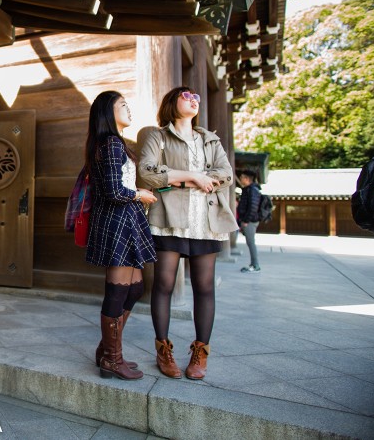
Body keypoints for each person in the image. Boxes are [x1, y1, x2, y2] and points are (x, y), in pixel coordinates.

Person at [137, 87, 238, 380]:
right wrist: (193, 176)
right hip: (169, 217)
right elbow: (147, 173)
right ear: (172, 102)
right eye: (186, 96)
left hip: (206, 220)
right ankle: (163, 349)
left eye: (196, 97)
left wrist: (179, 179)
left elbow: (226, 175)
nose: (194, 100)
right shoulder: (158, 137)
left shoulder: (210, 139)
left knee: (205, 287)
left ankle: (200, 352)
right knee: (164, 283)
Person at [84, 91, 158, 381]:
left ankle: (106, 350)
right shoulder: (112, 143)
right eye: (122, 105)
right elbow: (115, 191)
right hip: (119, 222)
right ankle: (113, 360)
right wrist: (140, 193)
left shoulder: (113, 144)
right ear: (107, 112)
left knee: (135, 289)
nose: (129, 109)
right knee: (118, 291)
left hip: (125, 220)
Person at [237, 170, 262, 273]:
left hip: (250, 221)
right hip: (248, 220)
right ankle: (253, 264)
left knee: (251, 242)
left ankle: (255, 265)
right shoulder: (248, 189)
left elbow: (253, 207)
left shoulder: (252, 190)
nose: (241, 179)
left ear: (247, 179)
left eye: (242, 177)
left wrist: (246, 220)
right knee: (250, 242)